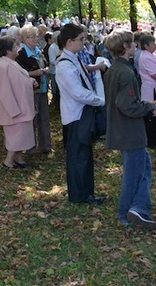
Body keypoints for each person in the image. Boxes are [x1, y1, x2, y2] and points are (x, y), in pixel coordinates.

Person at [104, 29, 156, 230]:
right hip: (128, 130)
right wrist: (150, 106)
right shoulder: (124, 72)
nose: (136, 47)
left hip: (123, 129)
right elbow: (127, 104)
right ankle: (127, 212)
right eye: (133, 44)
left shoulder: (115, 69)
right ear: (126, 47)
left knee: (144, 168)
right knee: (134, 173)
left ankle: (139, 207)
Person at [55, 23, 106, 205]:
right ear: (69, 42)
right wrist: (99, 100)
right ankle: (79, 195)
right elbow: (78, 92)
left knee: (85, 155)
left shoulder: (74, 59)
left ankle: (87, 193)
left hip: (82, 114)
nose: (84, 43)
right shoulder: (64, 65)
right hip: (75, 116)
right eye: (80, 40)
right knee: (78, 157)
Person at [0, 36, 36, 169]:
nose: (18, 49)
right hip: (14, 108)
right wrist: (13, 110)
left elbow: (18, 80)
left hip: (22, 105)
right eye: (15, 47)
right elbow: (4, 91)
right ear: (7, 51)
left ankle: (18, 156)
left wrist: (30, 81)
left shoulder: (11, 62)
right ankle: (9, 160)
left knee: (23, 134)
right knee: (16, 135)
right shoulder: (1, 66)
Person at [15, 24, 52, 154]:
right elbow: (18, 73)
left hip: (42, 89)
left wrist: (45, 70)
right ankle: (31, 147)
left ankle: (46, 146)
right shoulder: (21, 54)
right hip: (30, 91)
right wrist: (33, 73)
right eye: (31, 37)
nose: (35, 39)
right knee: (32, 119)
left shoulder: (38, 50)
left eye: (35, 36)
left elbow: (45, 64)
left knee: (45, 118)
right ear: (24, 39)